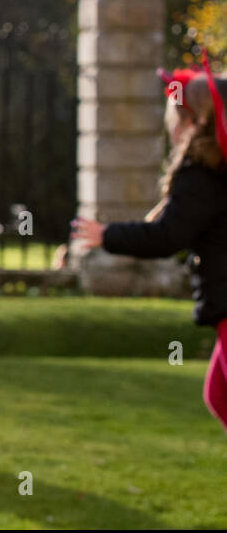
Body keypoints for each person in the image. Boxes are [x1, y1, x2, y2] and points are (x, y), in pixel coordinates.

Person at [72, 51, 227, 436]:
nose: (170, 121)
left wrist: (107, 235)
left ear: (196, 122)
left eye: (177, 114)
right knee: (219, 394)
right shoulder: (211, 174)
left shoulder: (202, 178)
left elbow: (166, 236)